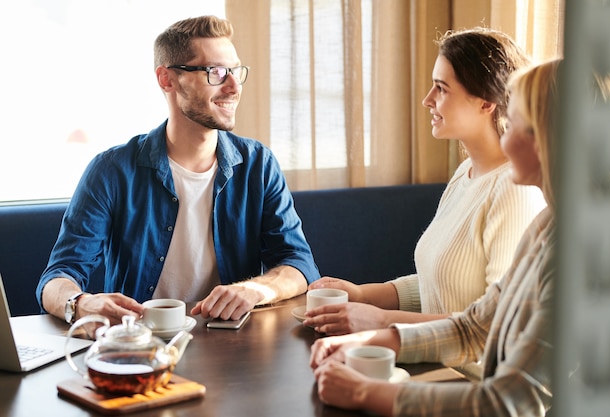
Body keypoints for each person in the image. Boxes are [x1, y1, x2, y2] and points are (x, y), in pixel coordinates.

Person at [309, 59, 561, 416]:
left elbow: (508, 402)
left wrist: (367, 393)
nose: (504, 134)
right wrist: (367, 340)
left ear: (549, 139)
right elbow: (475, 327)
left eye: (516, 123)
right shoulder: (547, 225)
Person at [36, 15, 320, 327]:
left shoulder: (259, 164)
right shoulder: (112, 171)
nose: (234, 86)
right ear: (167, 79)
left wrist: (253, 289)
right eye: (216, 72)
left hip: (234, 347)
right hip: (142, 349)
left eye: (235, 71)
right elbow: (57, 277)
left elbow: (299, 264)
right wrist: (82, 303)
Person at [304, 27, 546, 336]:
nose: (427, 100)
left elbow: (497, 326)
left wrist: (381, 320)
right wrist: (364, 295)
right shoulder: (466, 173)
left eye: (441, 88)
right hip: (432, 357)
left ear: (486, 102)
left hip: (467, 376)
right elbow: (444, 285)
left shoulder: (515, 192)